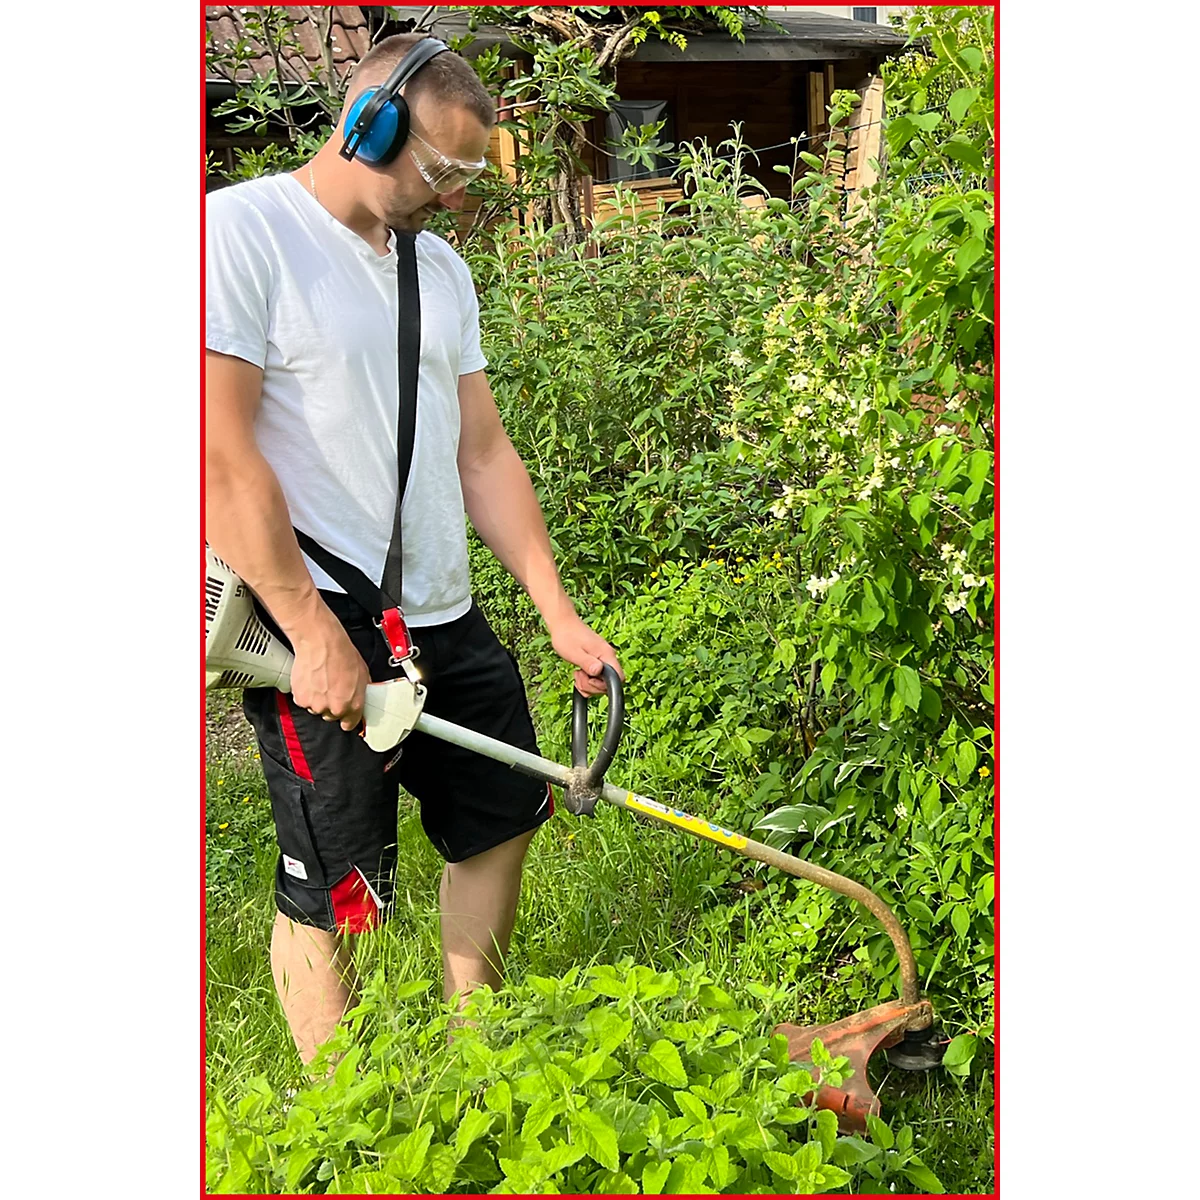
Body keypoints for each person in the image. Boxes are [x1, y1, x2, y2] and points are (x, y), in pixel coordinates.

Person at [205, 33, 622, 1066]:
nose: (451, 196)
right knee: (340, 887)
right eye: (438, 170)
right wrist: (308, 632)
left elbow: (482, 453)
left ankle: (478, 1049)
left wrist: (557, 611)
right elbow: (218, 454)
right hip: (319, 608)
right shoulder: (241, 234)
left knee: (502, 815)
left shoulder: (438, 271)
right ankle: (341, 1120)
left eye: (467, 176)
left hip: (441, 610)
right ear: (368, 123)